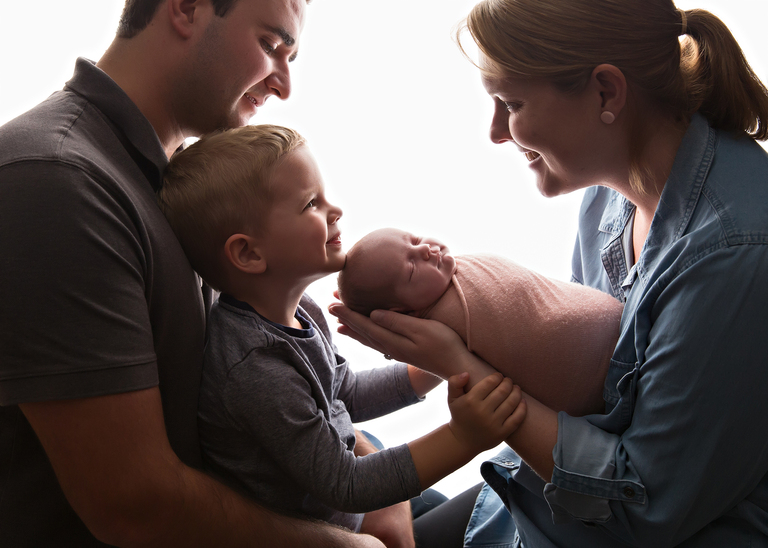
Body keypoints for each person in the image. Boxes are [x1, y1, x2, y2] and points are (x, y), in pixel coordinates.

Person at [328, 0, 768, 546]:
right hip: (537, 497)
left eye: (510, 102)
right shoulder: (609, 198)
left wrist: (457, 363)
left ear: (606, 92)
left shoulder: (735, 254)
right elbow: (587, 394)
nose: (494, 131)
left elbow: (644, 509)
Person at [0, 0, 389, 546]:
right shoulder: (55, 181)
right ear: (185, 9)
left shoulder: (186, 179)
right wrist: (347, 540)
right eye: (272, 46)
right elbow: (136, 505)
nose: (284, 85)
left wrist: (372, 473)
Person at [157, 123, 527, 544]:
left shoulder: (298, 309)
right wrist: (464, 437)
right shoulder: (255, 368)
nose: (336, 211)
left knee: (508, 506)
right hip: (340, 525)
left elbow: (342, 393)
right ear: (249, 253)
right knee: (514, 501)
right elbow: (346, 485)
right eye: (311, 203)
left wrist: (434, 366)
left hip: (359, 510)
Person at [337, 227, 623, 416]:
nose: (425, 250)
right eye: (411, 268)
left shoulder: (448, 275)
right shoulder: (438, 328)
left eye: (414, 239)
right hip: (610, 388)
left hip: (629, 332)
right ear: (403, 314)